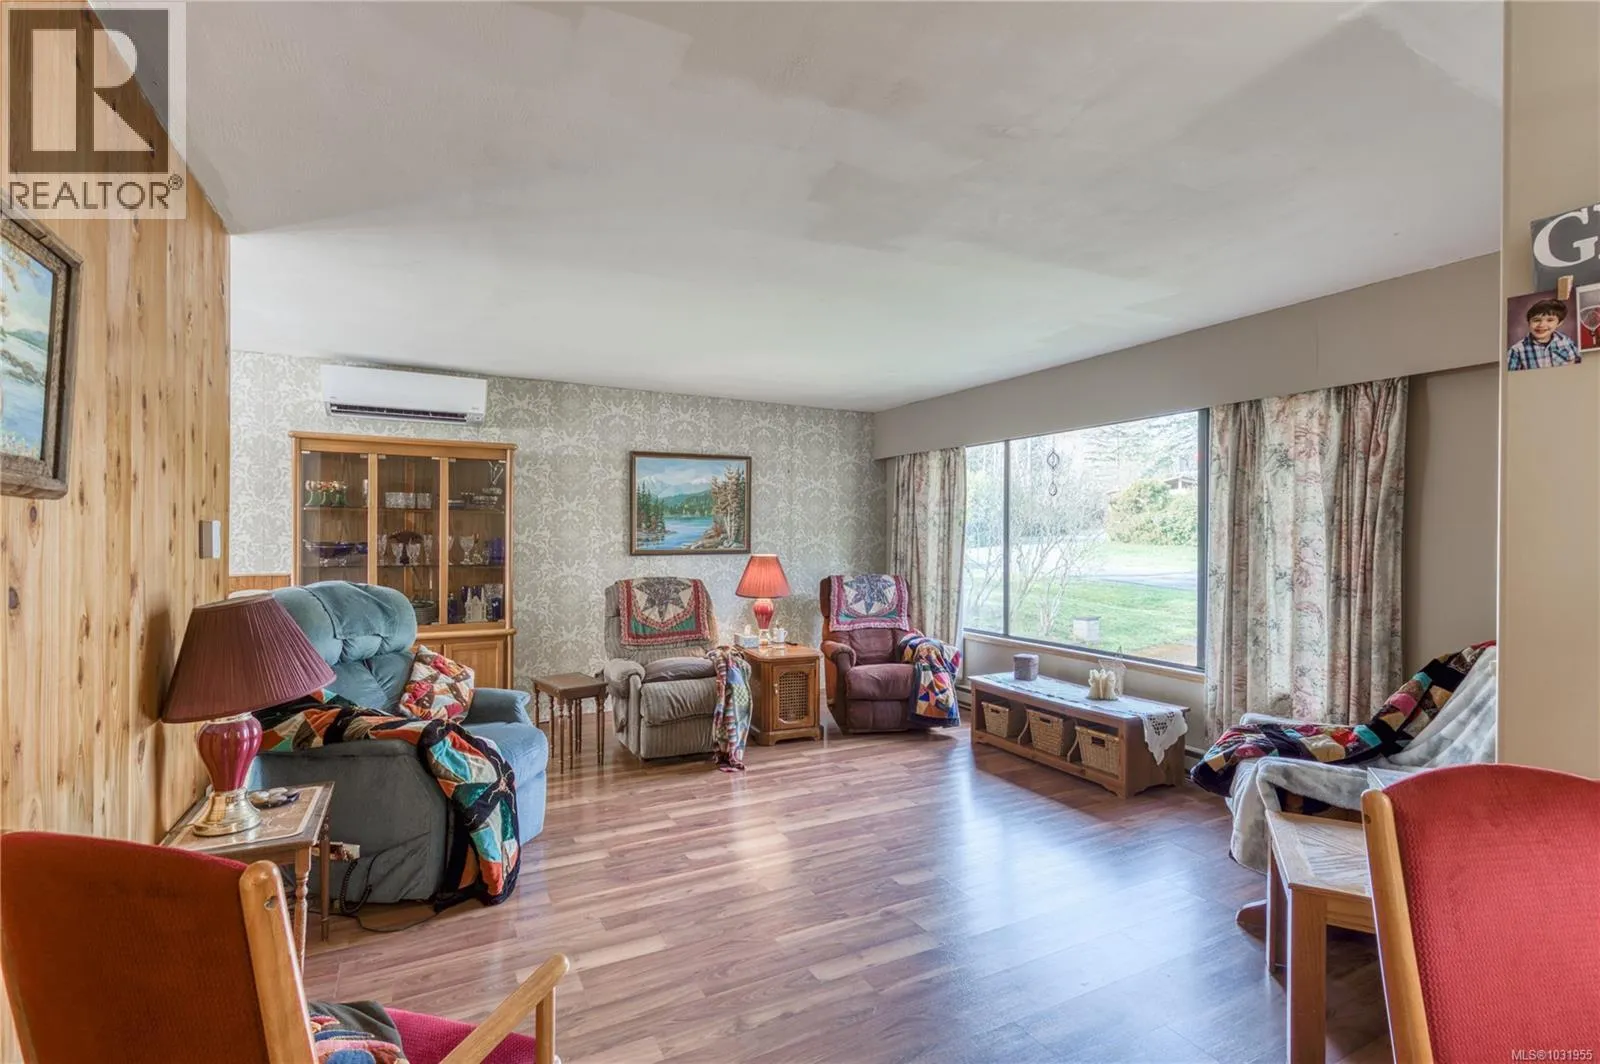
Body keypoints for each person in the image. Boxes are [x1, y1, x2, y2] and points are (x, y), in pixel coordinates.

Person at [1506, 297, 1581, 371]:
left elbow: (1578, 365)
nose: (1541, 325)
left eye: (1550, 320)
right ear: (1529, 323)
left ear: (1559, 323)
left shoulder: (1566, 342)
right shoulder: (1516, 350)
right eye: (1536, 320)